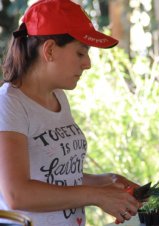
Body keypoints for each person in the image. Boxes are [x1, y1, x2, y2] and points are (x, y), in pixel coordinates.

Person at [0, 0, 141, 225]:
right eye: (80, 53)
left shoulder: (58, 98)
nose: (88, 64)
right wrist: (96, 195)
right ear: (50, 50)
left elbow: (55, 178)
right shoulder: (9, 104)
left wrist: (109, 182)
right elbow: (17, 194)